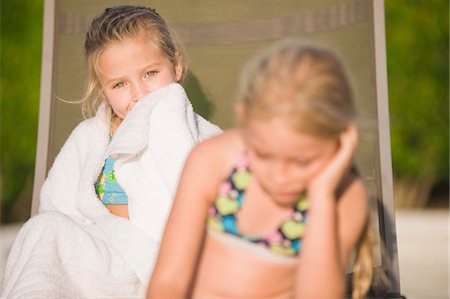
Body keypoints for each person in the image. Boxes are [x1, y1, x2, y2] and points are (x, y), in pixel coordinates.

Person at [1, 5, 220, 298]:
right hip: (99, 263)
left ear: (176, 67)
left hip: (162, 266)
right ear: (103, 90)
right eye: (120, 84)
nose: (139, 94)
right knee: (43, 229)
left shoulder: (200, 138)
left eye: (151, 73)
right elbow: (59, 208)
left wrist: (168, 123)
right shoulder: (89, 139)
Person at [147, 40, 373, 299]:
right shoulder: (214, 162)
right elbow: (167, 284)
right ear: (244, 120)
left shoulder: (343, 197)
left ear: (339, 141)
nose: (280, 176)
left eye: (302, 162)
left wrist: (321, 196)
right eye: (264, 154)